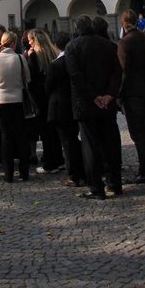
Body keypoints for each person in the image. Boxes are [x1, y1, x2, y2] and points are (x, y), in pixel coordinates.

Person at [66, 15, 123, 200]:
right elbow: (117, 72)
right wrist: (109, 95)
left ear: (76, 28)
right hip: (107, 104)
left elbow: (75, 77)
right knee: (111, 143)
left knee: (90, 146)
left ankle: (96, 187)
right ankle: (115, 183)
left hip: (86, 104)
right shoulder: (107, 44)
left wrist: (94, 97)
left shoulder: (72, 47)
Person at [117, 9, 145, 183]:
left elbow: (123, 72)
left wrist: (118, 95)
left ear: (123, 24)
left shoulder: (124, 43)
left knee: (138, 133)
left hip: (132, 93)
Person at [0, 30, 30, 183]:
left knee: (5, 137)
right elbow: (28, 78)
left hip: (0, 101)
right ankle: (24, 172)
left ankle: (8, 174)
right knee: (21, 135)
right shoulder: (19, 58)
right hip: (18, 100)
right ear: (13, 43)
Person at [45, 34, 84, 187]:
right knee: (74, 139)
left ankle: (74, 174)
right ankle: (81, 169)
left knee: (67, 142)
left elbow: (48, 87)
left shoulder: (56, 64)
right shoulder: (75, 61)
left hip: (60, 107)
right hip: (74, 104)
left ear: (56, 45)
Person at [26, 28, 63, 174]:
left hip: (40, 98)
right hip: (53, 96)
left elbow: (31, 79)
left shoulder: (35, 55)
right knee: (54, 130)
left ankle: (50, 162)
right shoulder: (53, 52)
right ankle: (59, 159)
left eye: (30, 40)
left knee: (45, 131)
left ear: (34, 40)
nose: (28, 43)